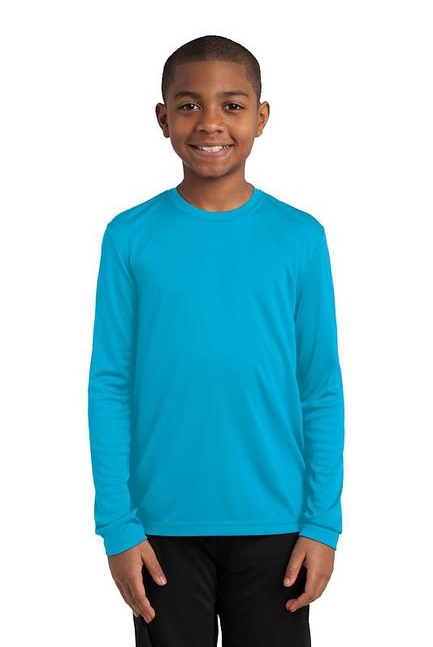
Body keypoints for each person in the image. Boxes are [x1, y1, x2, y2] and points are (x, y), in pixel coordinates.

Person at [87, 34, 345, 647]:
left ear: (261, 116)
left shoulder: (300, 237)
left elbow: (319, 388)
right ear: (163, 118)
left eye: (231, 105)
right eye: (188, 105)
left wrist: (322, 524)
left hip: (278, 526)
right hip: (160, 529)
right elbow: (111, 385)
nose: (209, 122)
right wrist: (118, 527)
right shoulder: (129, 237)